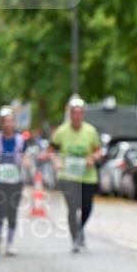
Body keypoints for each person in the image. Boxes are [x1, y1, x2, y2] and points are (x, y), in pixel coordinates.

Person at [50, 97, 102, 252]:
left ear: (83, 114)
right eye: (74, 113)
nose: (77, 116)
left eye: (80, 113)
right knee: (72, 208)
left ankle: (79, 229)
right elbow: (51, 150)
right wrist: (56, 162)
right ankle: (75, 239)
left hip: (87, 176)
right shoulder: (62, 131)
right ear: (70, 114)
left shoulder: (90, 131)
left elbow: (98, 150)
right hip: (68, 176)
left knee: (86, 207)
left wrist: (93, 158)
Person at [0, 107, 29, 255]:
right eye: (5, 122)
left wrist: (26, 162)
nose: (8, 124)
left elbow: (24, 157)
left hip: (15, 181)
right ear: (1, 123)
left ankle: (10, 242)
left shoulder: (21, 140)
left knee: (12, 211)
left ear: (15, 124)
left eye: (11, 122)